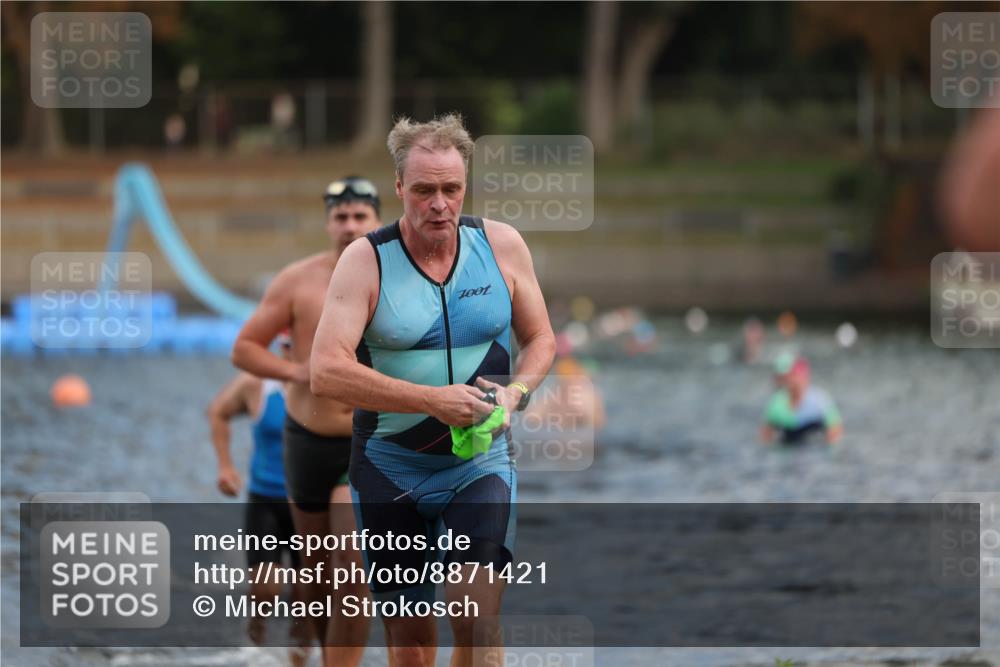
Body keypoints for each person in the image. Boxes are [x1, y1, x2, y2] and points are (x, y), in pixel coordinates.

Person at [310, 113, 556, 667]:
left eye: (451, 189)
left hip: (480, 463)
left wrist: (515, 395)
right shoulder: (365, 260)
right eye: (424, 191)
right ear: (399, 188)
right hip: (389, 468)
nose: (439, 204)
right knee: (414, 648)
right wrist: (429, 400)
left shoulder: (502, 247)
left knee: (476, 621)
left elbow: (541, 339)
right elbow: (324, 371)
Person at [231, 177, 381, 666]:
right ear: (327, 223)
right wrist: (296, 369)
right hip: (308, 442)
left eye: (360, 216)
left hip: (366, 443)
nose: (350, 226)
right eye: (341, 217)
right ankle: (318, 656)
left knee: (352, 564)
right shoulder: (298, 280)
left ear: (377, 220)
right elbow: (245, 347)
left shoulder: (396, 276)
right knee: (314, 578)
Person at [207, 332, 311, 665]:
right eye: (284, 346)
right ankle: (254, 644)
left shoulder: (324, 384)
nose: (289, 352)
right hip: (265, 498)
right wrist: (225, 466)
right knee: (266, 588)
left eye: (296, 344)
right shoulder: (257, 384)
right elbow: (217, 412)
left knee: (306, 596)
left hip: (308, 503)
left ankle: (299, 659)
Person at [759, 354, 843, 446]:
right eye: (785, 377)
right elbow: (765, 437)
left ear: (804, 377)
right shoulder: (776, 403)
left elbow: (835, 435)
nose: (792, 380)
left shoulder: (821, 402)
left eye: (792, 375)